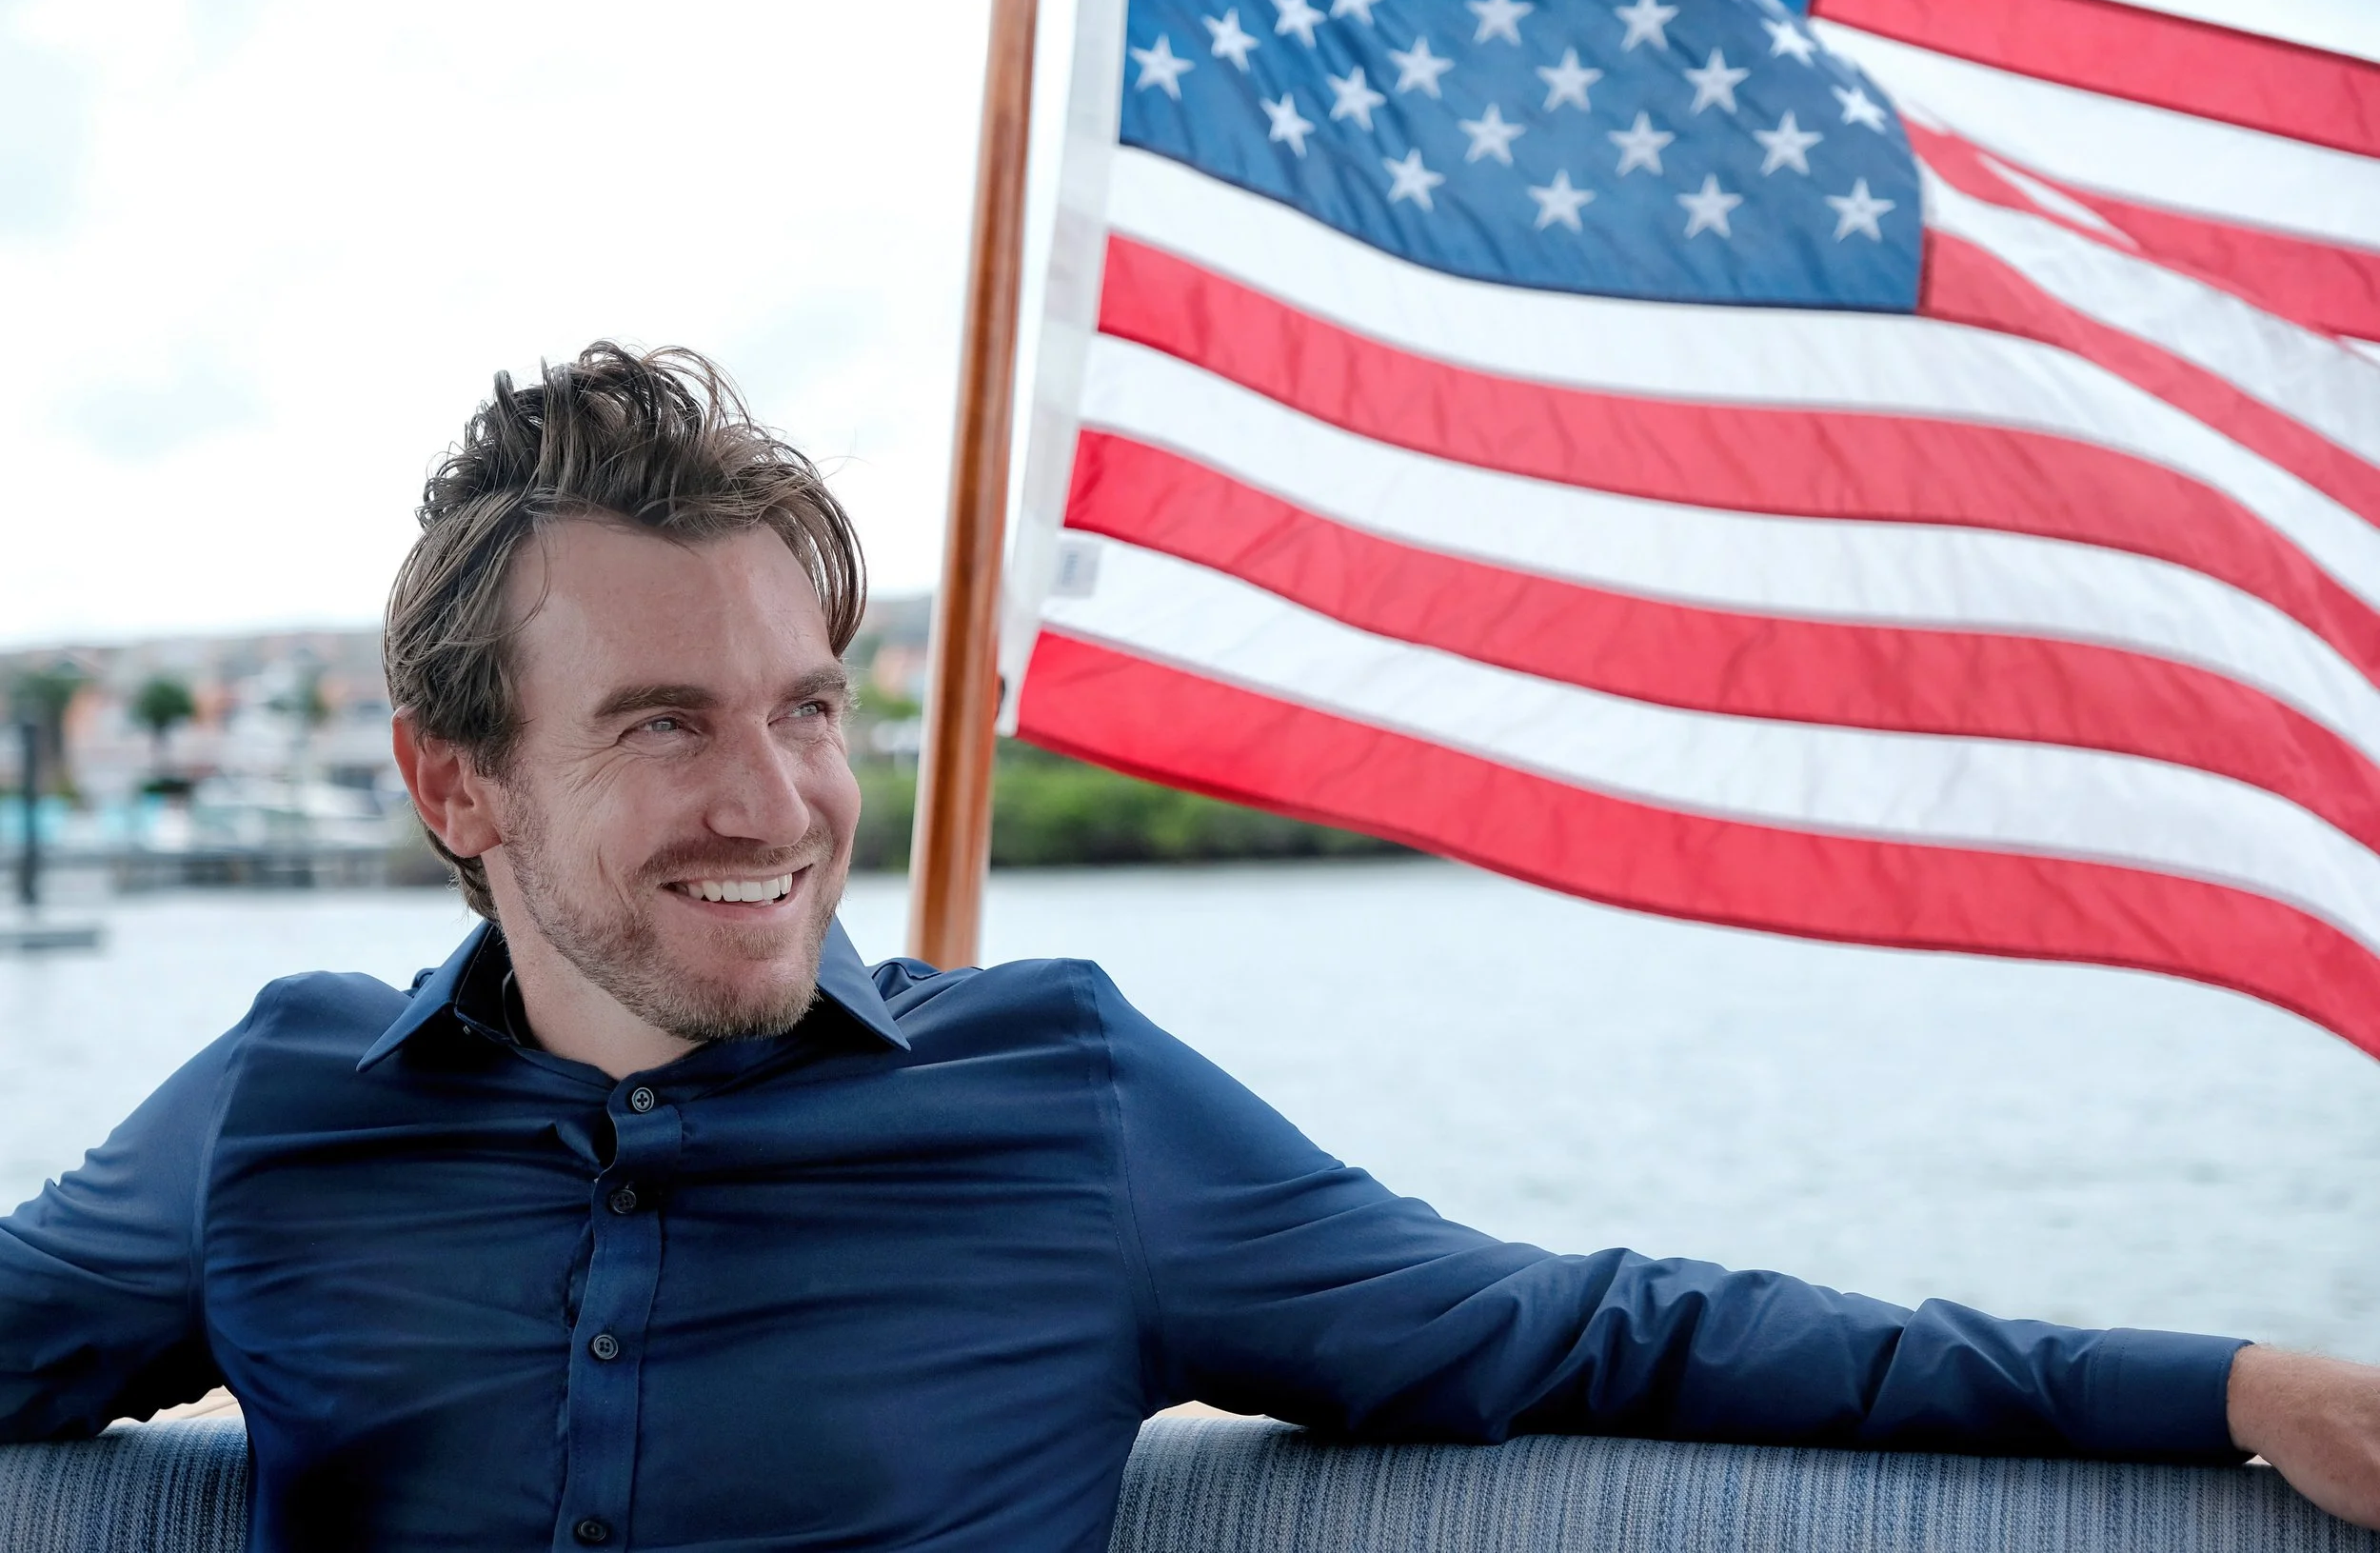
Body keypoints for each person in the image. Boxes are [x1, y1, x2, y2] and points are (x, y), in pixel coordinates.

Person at [4, 343, 2377, 1551]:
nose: (777, 800)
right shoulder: (278, 1114)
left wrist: (2231, 1384)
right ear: (455, 783)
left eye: (808, 706)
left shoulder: (1068, 1105)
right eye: (659, 724)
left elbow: (1601, 1322)